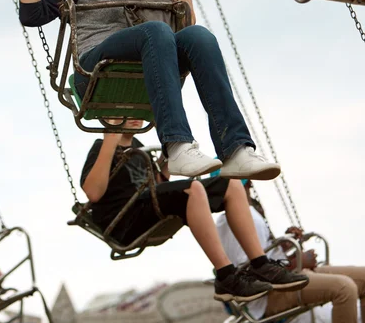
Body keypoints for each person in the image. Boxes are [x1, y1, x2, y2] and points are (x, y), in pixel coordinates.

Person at [19, 0, 281, 181]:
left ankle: (236, 149)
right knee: (155, 31)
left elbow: (184, 20)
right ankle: (177, 145)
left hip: (146, 60)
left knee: (199, 36)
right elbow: (31, 14)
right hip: (97, 69)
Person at [80, 119, 309, 303]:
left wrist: (166, 157)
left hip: (147, 207)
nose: (135, 119)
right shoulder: (101, 148)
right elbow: (93, 192)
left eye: (138, 113)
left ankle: (261, 264)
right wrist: (109, 140)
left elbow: (159, 188)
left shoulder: (139, 149)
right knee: (194, 188)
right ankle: (225, 275)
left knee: (229, 184)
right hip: (124, 221)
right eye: (126, 114)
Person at [216, 180, 365, 323]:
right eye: (246, 184)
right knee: (344, 289)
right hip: (268, 296)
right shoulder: (242, 216)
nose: (251, 186)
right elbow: (252, 273)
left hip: (284, 278)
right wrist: (296, 262)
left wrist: (283, 247)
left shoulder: (239, 215)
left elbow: (258, 256)